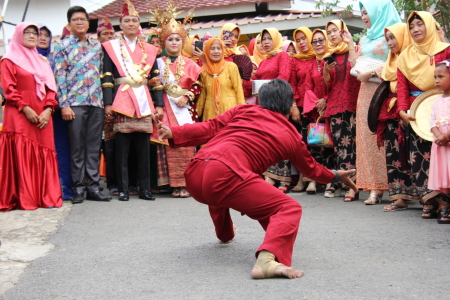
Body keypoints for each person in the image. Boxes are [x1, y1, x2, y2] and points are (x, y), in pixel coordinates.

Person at [157, 79, 357, 279]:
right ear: (289, 106)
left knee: (223, 189)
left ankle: (225, 234)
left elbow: (210, 127)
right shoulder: (291, 135)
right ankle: (267, 262)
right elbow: (311, 169)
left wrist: (174, 131)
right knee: (288, 208)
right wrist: (335, 175)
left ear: (260, 101)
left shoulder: (243, 110)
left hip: (195, 171)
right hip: (225, 176)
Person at [101, 0, 163, 201]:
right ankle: (124, 189)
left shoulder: (149, 49)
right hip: (122, 97)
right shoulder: (111, 47)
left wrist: (159, 104)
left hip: (144, 98)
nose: (131, 24)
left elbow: (156, 78)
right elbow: (107, 77)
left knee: (144, 148)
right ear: (121, 24)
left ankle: (144, 189)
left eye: (134, 21)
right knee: (122, 149)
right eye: (127, 21)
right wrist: (108, 103)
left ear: (139, 25)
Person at [0, 22, 62, 211]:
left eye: (35, 33)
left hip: (43, 114)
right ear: (18, 35)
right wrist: (25, 108)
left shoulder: (42, 61)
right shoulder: (8, 60)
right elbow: (9, 89)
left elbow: (51, 89)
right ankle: (25, 198)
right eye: (27, 32)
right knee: (22, 153)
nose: (32, 35)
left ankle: (47, 196)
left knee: (44, 151)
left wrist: (48, 109)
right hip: (19, 113)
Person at [395, 11, 450, 219]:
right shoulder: (405, 56)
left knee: (443, 158)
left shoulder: (445, 51)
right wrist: (402, 110)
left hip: (444, 109)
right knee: (418, 157)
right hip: (417, 112)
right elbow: (401, 88)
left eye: (420, 24)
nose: (416, 29)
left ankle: (444, 202)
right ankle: (428, 199)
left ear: (429, 26)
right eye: (412, 26)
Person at [54, 6, 111, 203]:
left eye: (83, 19)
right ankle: (78, 188)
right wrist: (64, 104)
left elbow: (103, 75)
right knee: (77, 147)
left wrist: (105, 103)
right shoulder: (62, 46)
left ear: (88, 23)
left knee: (94, 146)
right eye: (75, 19)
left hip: (96, 102)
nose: (80, 22)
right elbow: (59, 77)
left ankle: (93, 187)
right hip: (74, 103)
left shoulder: (97, 46)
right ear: (69, 25)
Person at [149, 3, 202, 198]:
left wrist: (187, 96)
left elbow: (198, 85)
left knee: (185, 144)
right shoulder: (157, 63)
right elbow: (153, 84)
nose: (173, 43)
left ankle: (186, 184)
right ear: (164, 43)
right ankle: (171, 184)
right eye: (169, 39)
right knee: (167, 145)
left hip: (184, 108)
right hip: (165, 106)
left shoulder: (191, 64)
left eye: (177, 39)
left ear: (183, 42)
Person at [353, 0, 401, 203]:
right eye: (362, 12)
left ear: (379, 11)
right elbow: (354, 62)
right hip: (365, 92)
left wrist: (373, 71)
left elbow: (400, 63)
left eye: (367, 12)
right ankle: (374, 187)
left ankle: (397, 186)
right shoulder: (364, 39)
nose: (364, 16)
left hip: (387, 92)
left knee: (387, 136)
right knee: (367, 137)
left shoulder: (394, 34)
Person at [377, 23, 416, 208]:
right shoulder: (390, 61)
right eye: (388, 39)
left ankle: (422, 195)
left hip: (409, 111)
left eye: (393, 38)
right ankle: (398, 196)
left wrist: (404, 109)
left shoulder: (412, 59)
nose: (390, 43)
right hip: (390, 111)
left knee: (409, 154)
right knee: (393, 153)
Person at [322, 21, 361, 200]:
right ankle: (344, 183)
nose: (331, 35)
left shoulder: (356, 49)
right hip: (336, 105)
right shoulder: (328, 57)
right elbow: (327, 88)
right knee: (340, 147)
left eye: (334, 30)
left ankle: (355, 184)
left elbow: (357, 69)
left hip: (353, 103)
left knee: (353, 145)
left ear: (342, 31)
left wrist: (351, 44)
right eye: (328, 32)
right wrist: (325, 76)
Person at [254, 28, 293, 191]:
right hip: (263, 106)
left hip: (277, 105)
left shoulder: (282, 56)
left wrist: (265, 87)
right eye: (264, 39)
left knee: (280, 141)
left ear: (276, 40)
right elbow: (254, 83)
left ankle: (283, 179)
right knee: (266, 142)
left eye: (270, 38)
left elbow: (284, 78)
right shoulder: (263, 61)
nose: (266, 42)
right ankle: (269, 176)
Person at [300, 29, 336, 197]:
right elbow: (307, 88)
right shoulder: (311, 65)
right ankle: (313, 180)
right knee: (314, 145)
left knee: (330, 146)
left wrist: (326, 100)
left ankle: (330, 180)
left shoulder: (333, 60)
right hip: (316, 110)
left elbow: (337, 85)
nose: (318, 44)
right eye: (314, 42)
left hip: (332, 106)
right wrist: (318, 103)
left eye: (321, 40)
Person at [289, 27, 317, 193]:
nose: (301, 42)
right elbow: (292, 84)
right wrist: (293, 106)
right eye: (298, 40)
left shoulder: (318, 58)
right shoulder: (295, 61)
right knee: (301, 145)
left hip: (314, 106)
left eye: (303, 38)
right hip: (300, 107)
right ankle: (301, 178)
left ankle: (313, 179)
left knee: (315, 144)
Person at [197, 38, 245, 121]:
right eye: (212, 49)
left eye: (219, 48)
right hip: (211, 113)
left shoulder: (231, 67)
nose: (216, 51)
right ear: (207, 51)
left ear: (223, 50)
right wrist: (194, 114)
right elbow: (202, 96)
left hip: (230, 111)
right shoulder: (203, 71)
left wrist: (243, 112)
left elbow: (239, 90)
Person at [428, 60, 450, 224]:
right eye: (435, 77)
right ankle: (445, 206)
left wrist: (447, 136)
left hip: (448, 141)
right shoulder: (436, 101)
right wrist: (438, 135)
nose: (436, 80)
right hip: (441, 145)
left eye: (441, 76)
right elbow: (432, 122)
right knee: (444, 174)